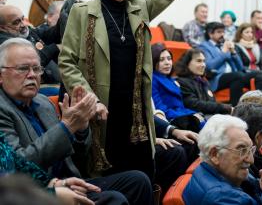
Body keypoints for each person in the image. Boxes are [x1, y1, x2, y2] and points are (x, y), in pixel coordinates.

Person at [59, 0, 186, 179]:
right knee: (109, 175)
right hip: (101, 108)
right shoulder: (82, 12)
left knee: (141, 174)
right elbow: (67, 61)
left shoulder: (140, 7)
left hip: (136, 110)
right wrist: (89, 99)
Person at [0, 38, 154, 205]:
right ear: (1, 75)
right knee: (115, 200)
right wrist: (67, 127)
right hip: (35, 194)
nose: (32, 75)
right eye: (23, 68)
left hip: (68, 182)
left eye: (37, 68)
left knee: (138, 180)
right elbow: (18, 167)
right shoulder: (3, 109)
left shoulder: (43, 103)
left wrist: (80, 129)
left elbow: (78, 158)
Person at [183, 114, 262, 205]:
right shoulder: (221, 197)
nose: (251, 160)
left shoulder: (211, 172)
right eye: (242, 150)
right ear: (214, 154)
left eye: (250, 150)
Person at [0, 131, 99, 205]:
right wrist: (52, 194)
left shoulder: (45, 104)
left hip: (48, 187)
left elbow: (17, 161)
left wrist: (54, 182)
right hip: (28, 198)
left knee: (110, 196)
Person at [199, 22, 256, 106]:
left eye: (223, 32)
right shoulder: (204, 47)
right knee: (238, 76)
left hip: (233, 75)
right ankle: (235, 106)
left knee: (255, 75)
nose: (222, 34)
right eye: (219, 32)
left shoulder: (224, 45)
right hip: (216, 78)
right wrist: (223, 52)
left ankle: (238, 107)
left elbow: (240, 67)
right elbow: (209, 66)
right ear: (210, 34)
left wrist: (233, 52)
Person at [152, 43, 203, 132]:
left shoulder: (170, 79)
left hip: (181, 115)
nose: (167, 63)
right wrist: (191, 115)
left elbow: (180, 106)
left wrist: (193, 113)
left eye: (169, 59)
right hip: (170, 120)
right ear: (153, 61)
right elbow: (160, 108)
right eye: (161, 60)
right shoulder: (153, 80)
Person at [175, 48, 233, 116]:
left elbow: (211, 104)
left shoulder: (203, 82)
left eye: (204, 61)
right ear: (187, 63)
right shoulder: (181, 82)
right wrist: (224, 108)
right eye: (199, 61)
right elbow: (195, 105)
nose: (203, 65)